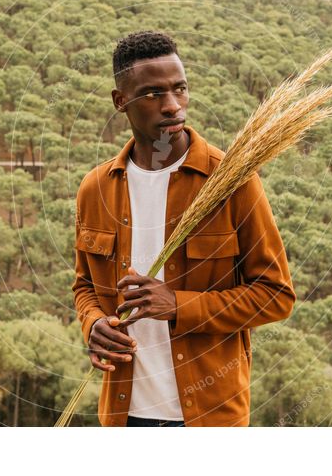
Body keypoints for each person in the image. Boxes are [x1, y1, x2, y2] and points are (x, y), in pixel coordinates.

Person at [72, 30, 296, 427]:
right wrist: (93, 325)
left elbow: (276, 296)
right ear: (120, 101)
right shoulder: (95, 188)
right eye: (153, 94)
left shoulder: (231, 181)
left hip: (210, 419)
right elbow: (84, 287)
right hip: (124, 418)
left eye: (180, 89)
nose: (173, 106)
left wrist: (178, 305)